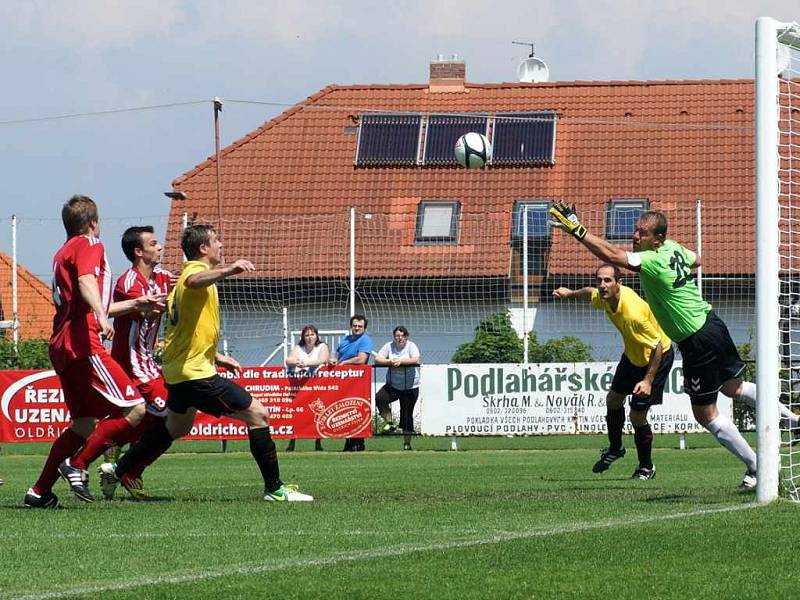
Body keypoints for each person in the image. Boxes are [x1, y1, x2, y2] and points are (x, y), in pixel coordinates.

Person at [549, 204, 800, 490]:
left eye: (641, 233)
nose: (635, 236)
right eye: (636, 231)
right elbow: (698, 261)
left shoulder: (653, 259)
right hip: (711, 323)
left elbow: (612, 255)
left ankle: (758, 468)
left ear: (657, 239)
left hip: (696, 340)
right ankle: (792, 419)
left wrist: (577, 231)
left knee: (705, 414)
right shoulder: (673, 248)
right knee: (734, 388)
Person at [101, 224, 312, 502]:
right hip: (195, 375)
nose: (221, 245)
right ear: (203, 248)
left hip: (179, 372)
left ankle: (119, 469)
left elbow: (184, 333)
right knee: (258, 415)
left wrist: (217, 357)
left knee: (177, 427)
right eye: (216, 240)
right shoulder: (192, 274)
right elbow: (193, 281)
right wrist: (231, 269)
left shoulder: (185, 282)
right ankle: (275, 489)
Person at [24, 195, 161, 508]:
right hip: (83, 342)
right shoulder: (90, 243)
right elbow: (87, 282)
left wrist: (133, 305)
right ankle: (78, 464)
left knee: (84, 423)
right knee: (136, 409)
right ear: (94, 223)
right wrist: (101, 316)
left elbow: (85, 299)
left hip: (61, 344)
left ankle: (40, 490)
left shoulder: (62, 252)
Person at [553, 264, 674, 479]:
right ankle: (616, 448)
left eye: (608, 280)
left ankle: (646, 467)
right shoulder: (604, 297)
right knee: (614, 400)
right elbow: (589, 292)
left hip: (656, 357)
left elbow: (656, 346)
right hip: (633, 356)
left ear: (620, 283)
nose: (602, 285)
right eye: (600, 280)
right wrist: (570, 293)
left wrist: (647, 381)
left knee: (637, 416)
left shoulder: (633, 313)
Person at [82, 225, 174, 500]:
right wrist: (137, 304)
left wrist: (220, 270)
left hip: (149, 365)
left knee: (164, 420)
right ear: (138, 251)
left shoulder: (162, 277)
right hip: (133, 367)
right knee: (172, 416)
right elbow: (102, 308)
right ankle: (104, 464)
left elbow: (188, 281)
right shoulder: (127, 283)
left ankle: (116, 461)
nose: (160, 247)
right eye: (154, 243)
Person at [373, 326, 421, 451]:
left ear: (406, 336)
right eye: (397, 336)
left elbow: (416, 359)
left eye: (402, 336)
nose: (399, 338)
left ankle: (407, 443)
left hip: (410, 386)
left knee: (406, 415)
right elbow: (377, 358)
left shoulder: (411, 346)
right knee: (380, 398)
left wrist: (401, 361)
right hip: (393, 385)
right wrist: (389, 362)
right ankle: (389, 423)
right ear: (394, 337)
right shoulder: (389, 346)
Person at [329, 314, 372, 452]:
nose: (357, 328)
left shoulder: (366, 340)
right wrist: (333, 360)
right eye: (355, 326)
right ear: (351, 326)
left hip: (358, 380)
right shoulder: (345, 339)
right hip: (343, 380)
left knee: (357, 410)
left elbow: (361, 359)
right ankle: (348, 441)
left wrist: (344, 363)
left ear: (364, 328)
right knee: (345, 411)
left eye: (360, 326)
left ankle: (358, 442)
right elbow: (337, 353)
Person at [284, 324, 329, 452]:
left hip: (317, 386)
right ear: (303, 337)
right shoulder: (299, 347)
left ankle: (318, 442)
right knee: (297, 413)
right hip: (300, 387)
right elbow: (289, 360)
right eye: (307, 335)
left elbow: (322, 359)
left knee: (318, 414)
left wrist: (306, 363)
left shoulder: (322, 346)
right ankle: (292, 442)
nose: (310, 337)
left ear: (317, 336)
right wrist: (296, 362)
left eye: (312, 334)